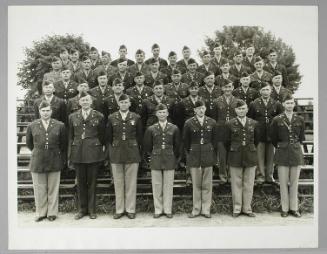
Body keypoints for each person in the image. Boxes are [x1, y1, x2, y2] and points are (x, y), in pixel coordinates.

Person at [26, 101, 67, 222]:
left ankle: (52, 213)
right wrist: (38, 151)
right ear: (39, 112)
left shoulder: (60, 125)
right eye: (43, 111)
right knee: (39, 188)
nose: (45, 113)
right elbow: (29, 144)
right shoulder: (32, 125)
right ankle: (40, 212)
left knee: (53, 187)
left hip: (54, 159)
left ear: (51, 111)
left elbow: (63, 144)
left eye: (47, 110)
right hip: (38, 160)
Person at [68, 92, 106, 220]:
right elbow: (71, 136)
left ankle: (92, 210)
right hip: (78, 152)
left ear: (91, 102)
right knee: (81, 183)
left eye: (87, 100)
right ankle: (81, 209)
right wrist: (70, 154)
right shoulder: (72, 116)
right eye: (82, 100)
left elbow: (102, 136)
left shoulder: (99, 116)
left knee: (92, 182)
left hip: (93, 153)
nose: (85, 102)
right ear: (79, 102)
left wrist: (100, 150)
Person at [106, 94, 143, 219]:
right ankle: (119, 209)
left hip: (132, 152)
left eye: (126, 102)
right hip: (116, 153)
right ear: (118, 104)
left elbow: (140, 137)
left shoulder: (136, 117)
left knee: (131, 183)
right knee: (118, 182)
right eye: (121, 102)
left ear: (130, 104)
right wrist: (111, 152)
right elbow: (108, 137)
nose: (123, 104)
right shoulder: (111, 117)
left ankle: (130, 209)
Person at [270, 95, 305, 218]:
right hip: (282, 153)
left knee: (294, 182)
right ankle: (285, 208)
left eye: (291, 103)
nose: (290, 105)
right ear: (283, 105)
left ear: (294, 104)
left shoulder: (300, 119)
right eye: (287, 103)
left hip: (295, 153)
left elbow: (301, 138)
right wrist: (281, 146)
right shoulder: (277, 120)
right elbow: (273, 138)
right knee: (283, 182)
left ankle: (294, 208)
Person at [143, 104, 181, 218]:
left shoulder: (174, 128)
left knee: (168, 185)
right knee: (157, 184)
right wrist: (151, 157)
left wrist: (175, 159)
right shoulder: (151, 129)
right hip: (156, 159)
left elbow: (177, 146)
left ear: (167, 113)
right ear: (156, 114)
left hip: (169, 158)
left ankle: (168, 209)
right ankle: (158, 209)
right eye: (160, 112)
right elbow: (147, 146)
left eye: (164, 112)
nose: (162, 114)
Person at [183, 100, 217, 218]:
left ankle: (206, 209)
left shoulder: (212, 122)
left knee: (207, 184)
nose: (201, 110)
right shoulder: (189, 123)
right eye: (198, 109)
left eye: (202, 108)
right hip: (194, 155)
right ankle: (196, 209)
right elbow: (186, 142)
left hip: (208, 155)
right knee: (196, 184)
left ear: (205, 109)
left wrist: (212, 153)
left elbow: (215, 141)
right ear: (194, 110)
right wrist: (192, 152)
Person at [225, 99, 259, 217]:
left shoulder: (254, 123)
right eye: (239, 109)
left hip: (250, 155)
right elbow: (226, 142)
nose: (241, 111)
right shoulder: (229, 124)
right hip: (235, 156)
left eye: (243, 108)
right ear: (235, 110)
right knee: (236, 183)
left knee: (249, 183)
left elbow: (257, 141)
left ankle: (247, 208)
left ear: (247, 109)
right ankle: (237, 208)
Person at [248, 82, 284, 184]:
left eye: (267, 89)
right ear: (260, 91)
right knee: (259, 156)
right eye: (263, 90)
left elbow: (280, 119)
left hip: (272, 135)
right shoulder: (254, 104)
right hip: (259, 134)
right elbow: (250, 120)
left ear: (271, 90)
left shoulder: (276, 103)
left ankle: (269, 175)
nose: (265, 92)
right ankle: (260, 176)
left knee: (271, 157)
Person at [213, 79, 239, 183]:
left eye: (229, 87)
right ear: (222, 88)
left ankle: (232, 176)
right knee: (222, 155)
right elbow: (214, 118)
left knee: (232, 154)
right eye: (225, 87)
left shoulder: (237, 101)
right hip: (221, 131)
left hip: (233, 131)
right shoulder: (216, 101)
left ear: (232, 88)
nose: (227, 89)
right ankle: (223, 176)